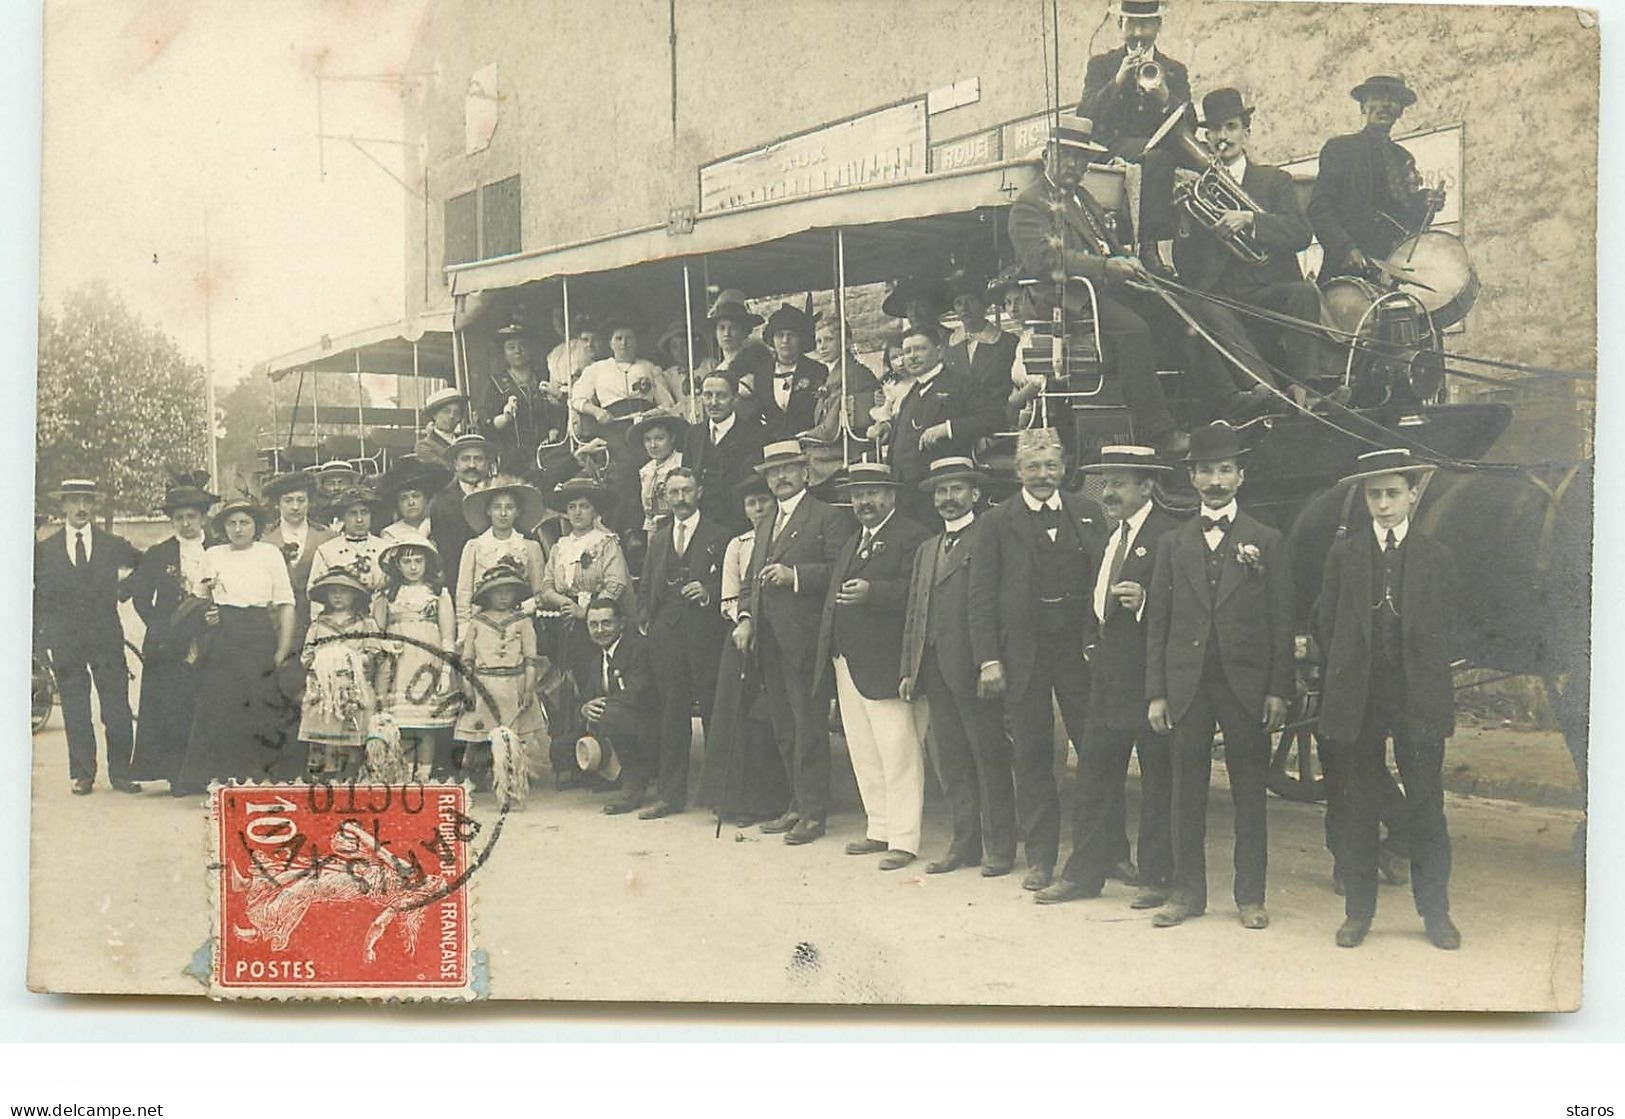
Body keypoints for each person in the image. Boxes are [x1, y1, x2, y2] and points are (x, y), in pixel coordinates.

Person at [1008, 115, 1286, 451]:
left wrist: (1131, 261)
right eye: (1067, 155)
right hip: (1069, 298)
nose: (1074, 164)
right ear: (1047, 155)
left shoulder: (1083, 197)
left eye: (1081, 157)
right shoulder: (1028, 205)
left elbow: (1106, 243)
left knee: (1181, 310)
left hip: (1106, 288)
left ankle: (1226, 399)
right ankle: (1159, 432)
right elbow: (1047, 261)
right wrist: (1108, 266)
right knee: (1133, 329)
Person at [1144, 420, 1293, 929]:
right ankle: (1188, 893)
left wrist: (1278, 689)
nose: (1215, 480)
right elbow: (1158, 624)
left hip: (1246, 686)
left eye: (1224, 470)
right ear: (1192, 478)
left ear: (1240, 477)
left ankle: (1250, 896)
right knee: (1186, 792)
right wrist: (1157, 693)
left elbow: (1280, 621)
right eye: (1205, 470)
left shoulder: (1266, 542)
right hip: (1187, 686)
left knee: (1250, 792)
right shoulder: (1172, 543)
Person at [1313, 448, 1459, 950]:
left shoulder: (1435, 555)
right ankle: (1358, 913)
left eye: (1393, 493)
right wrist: (1346, 671)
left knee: (1427, 806)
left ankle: (1435, 914)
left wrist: (1431, 681)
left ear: (1412, 495)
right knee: (1357, 808)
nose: (1383, 504)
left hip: (1417, 697)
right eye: (1374, 495)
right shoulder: (1345, 553)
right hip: (1361, 697)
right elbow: (1324, 619)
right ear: (1365, 500)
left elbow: (1449, 629)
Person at [1036, 446, 1180, 906]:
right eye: (1105, 483)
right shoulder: (1109, 537)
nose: (1109, 493)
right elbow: (1093, 604)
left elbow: (1191, 610)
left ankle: (1159, 877)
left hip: (1151, 680)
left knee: (1158, 778)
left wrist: (1150, 600)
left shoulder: (1169, 538)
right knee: (1095, 776)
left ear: (1146, 487)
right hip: (1105, 678)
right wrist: (1091, 647)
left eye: (1119, 483)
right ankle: (1084, 875)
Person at [967, 428, 1104, 891]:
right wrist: (989, 659)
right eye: (1033, 468)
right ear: (1018, 472)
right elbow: (981, 595)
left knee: (1097, 752)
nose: (1043, 475)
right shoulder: (996, 522)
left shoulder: (1087, 513)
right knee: (1032, 755)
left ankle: (1109, 852)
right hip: (1023, 653)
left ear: (1064, 469)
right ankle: (1041, 858)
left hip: (1076, 654)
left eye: (1051, 467)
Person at [732, 439, 853, 846]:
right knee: (783, 727)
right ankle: (797, 804)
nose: (780, 478)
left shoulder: (826, 517)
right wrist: (747, 618)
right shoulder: (767, 521)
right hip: (769, 638)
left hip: (805, 639)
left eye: (788, 469)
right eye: (773, 472)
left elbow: (840, 570)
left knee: (808, 727)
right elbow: (751, 579)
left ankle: (814, 813)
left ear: (805, 472)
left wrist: (795, 575)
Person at [813, 463, 934, 870]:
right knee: (864, 750)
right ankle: (879, 827)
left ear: (892, 497)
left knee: (898, 750)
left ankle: (904, 838)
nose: (864, 502)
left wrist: (873, 592)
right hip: (848, 660)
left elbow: (918, 595)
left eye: (873, 493)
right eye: (858, 494)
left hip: (888, 663)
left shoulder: (911, 537)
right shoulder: (853, 541)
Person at [900, 457, 1017, 877]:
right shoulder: (928, 548)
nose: (948, 499)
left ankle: (1000, 847)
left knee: (988, 756)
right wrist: (909, 667)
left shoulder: (989, 538)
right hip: (933, 667)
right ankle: (964, 844)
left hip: (973, 666)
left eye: (956, 490)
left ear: (975, 494)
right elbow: (916, 611)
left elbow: (997, 606)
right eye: (940, 491)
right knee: (951, 759)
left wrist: (992, 661)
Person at [1172, 88, 1320, 386]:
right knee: (1205, 308)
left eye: (1231, 127)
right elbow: (1186, 267)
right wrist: (1184, 222)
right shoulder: (1197, 189)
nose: (1222, 136)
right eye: (1214, 129)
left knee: (1305, 293)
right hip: (1225, 294)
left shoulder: (1274, 180)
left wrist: (1251, 220)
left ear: (1246, 132)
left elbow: (1301, 233)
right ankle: (1266, 391)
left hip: (1269, 289)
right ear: (1206, 138)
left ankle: (1310, 389)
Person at [171, 498, 301, 794]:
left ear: (255, 525)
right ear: (223, 527)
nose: (238, 529)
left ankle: (261, 777)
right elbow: (197, 600)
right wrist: (208, 615)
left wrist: (282, 649)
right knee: (219, 704)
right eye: (232, 523)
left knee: (261, 703)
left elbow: (286, 604)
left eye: (244, 522)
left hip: (258, 633)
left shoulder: (269, 553)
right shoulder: (213, 555)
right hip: (223, 637)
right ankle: (220, 779)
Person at [33, 479, 142, 796]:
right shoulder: (46, 550)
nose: (81, 507)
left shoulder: (112, 544)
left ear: (94, 506)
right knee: (75, 708)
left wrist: (125, 590)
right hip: (66, 642)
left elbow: (146, 567)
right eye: (74, 501)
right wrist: (43, 642)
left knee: (116, 708)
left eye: (87, 501)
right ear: (63, 506)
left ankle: (121, 773)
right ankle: (83, 774)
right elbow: (39, 598)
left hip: (106, 638)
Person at [635, 468, 732, 818]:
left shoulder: (720, 535)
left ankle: (722, 796)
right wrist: (645, 616)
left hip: (706, 634)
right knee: (671, 715)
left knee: (713, 712)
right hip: (667, 635)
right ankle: (671, 795)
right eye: (673, 492)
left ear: (699, 492)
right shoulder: (660, 538)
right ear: (665, 496)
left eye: (687, 491)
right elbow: (647, 581)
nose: (680, 498)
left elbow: (736, 581)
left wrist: (709, 591)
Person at [699, 473, 792, 825]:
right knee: (735, 716)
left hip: (778, 634)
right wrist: (744, 620)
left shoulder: (785, 538)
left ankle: (773, 799)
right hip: (742, 636)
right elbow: (729, 595)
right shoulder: (739, 544)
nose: (758, 509)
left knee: (769, 717)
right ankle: (734, 799)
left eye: (763, 501)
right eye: (751, 504)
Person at [1076, 0, 1189, 259]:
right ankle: (1148, 245)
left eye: (1145, 25)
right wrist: (1117, 80)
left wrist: (1165, 96)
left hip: (1159, 147)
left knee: (1170, 157)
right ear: (1120, 25)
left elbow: (1189, 123)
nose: (1138, 34)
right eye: (1132, 24)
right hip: (1112, 146)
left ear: (1158, 26)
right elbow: (1085, 116)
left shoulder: (1174, 70)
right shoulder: (1101, 64)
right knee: (1158, 158)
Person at [127, 472, 219, 788]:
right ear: (171, 521)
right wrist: (159, 625)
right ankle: (175, 773)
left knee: (205, 702)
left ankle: (207, 772)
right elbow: (139, 595)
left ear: (204, 517)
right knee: (172, 704)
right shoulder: (158, 553)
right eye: (178, 518)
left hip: (211, 636)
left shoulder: (219, 550)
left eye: (192, 516)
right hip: (169, 640)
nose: (186, 523)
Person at [1308, 74, 1443, 282]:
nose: (1386, 104)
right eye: (1378, 97)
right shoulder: (1341, 149)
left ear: (1401, 111)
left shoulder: (1403, 158)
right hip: (1348, 274)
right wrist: (1346, 249)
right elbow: (1319, 209)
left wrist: (1426, 203)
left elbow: (1408, 220)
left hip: (1394, 275)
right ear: (1363, 107)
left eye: (1394, 99)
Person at [877, 325, 1006, 520]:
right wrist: (888, 429)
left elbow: (994, 418)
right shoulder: (910, 392)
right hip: (905, 492)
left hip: (941, 491)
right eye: (907, 351)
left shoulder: (961, 385)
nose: (912, 356)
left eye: (920, 349)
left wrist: (948, 428)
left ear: (939, 351)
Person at [373, 533, 459, 780]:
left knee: (425, 723)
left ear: (427, 564)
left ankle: (424, 772)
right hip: (398, 663)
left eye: (418, 561)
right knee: (403, 721)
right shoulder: (387, 595)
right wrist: (385, 644)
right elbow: (376, 629)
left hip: (426, 662)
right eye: (407, 562)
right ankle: (405, 770)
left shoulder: (438, 593)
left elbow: (447, 634)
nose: (413, 567)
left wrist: (445, 670)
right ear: (397, 565)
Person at [453, 563, 545, 791]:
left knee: (515, 736)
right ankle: (476, 777)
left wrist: (528, 688)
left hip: (515, 684)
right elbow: (468, 660)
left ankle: (515, 778)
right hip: (484, 686)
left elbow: (530, 658)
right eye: (497, 591)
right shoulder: (477, 622)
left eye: (509, 591)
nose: (503, 596)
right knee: (478, 736)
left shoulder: (522, 621)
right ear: (487, 594)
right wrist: (467, 689)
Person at [574, 596, 657, 816]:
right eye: (593, 624)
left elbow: (639, 692)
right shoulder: (595, 662)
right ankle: (615, 775)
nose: (600, 630)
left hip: (649, 725)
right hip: (617, 720)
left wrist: (603, 708)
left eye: (606, 623)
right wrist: (585, 709)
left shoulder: (638, 648)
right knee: (562, 749)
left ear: (621, 623)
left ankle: (636, 780)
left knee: (610, 715)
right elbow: (586, 699)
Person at [299, 569, 383, 781]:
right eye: (333, 592)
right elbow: (306, 656)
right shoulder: (318, 625)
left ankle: (351, 773)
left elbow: (374, 651)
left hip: (353, 686)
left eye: (344, 592)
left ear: (355, 595)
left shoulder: (365, 623)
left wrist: (350, 659)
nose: (338, 596)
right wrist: (325, 660)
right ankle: (325, 772)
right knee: (325, 727)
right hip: (324, 689)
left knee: (352, 729)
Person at [456, 476, 548, 629]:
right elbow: (463, 594)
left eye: (509, 507)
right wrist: (464, 629)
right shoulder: (474, 547)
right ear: (488, 511)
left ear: (517, 511)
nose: (503, 513)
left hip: (519, 622)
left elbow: (539, 592)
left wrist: (525, 608)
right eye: (497, 507)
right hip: (481, 622)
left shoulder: (530, 547)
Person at [684, 373, 768, 528]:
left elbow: (751, 485)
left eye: (721, 396)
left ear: (734, 398)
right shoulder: (693, 434)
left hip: (735, 522)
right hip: (700, 523)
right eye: (708, 395)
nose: (713, 402)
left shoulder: (754, 436)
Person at [261, 470, 335, 644]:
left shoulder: (326, 537)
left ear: (309, 502)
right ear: (278, 504)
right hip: (275, 624)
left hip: (317, 623)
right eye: (288, 500)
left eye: (301, 500)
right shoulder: (264, 539)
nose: (295, 507)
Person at [571, 315, 678, 432]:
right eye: (618, 338)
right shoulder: (597, 369)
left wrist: (650, 414)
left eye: (629, 338)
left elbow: (667, 403)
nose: (624, 343)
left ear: (637, 342)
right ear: (610, 343)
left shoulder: (650, 368)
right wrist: (597, 412)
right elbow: (577, 399)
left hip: (645, 427)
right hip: (613, 426)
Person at [483, 320, 566, 471]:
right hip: (512, 459)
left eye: (522, 346)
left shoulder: (546, 378)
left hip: (548, 453)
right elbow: (486, 426)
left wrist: (555, 426)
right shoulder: (496, 384)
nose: (517, 351)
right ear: (504, 353)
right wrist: (505, 418)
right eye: (511, 347)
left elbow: (561, 413)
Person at [744, 304, 825, 441]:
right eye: (780, 335)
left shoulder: (816, 371)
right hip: (771, 447)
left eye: (791, 335)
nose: (785, 341)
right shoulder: (762, 374)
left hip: (809, 444)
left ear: (801, 338)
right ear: (772, 339)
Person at [943, 272, 1019, 414]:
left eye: (971, 301)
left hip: (997, 417)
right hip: (956, 421)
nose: (964, 308)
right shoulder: (948, 345)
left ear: (984, 305)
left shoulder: (1007, 342)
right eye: (959, 303)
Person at [428, 432, 495, 583]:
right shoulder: (441, 502)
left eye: (478, 459)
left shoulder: (501, 493)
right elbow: (447, 558)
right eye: (465, 459)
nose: (472, 465)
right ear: (455, 463)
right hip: (459, 582)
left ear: (487, 463)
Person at [306, 485, 389, 608]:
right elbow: (315, 596)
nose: (359, 519)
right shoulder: (326, 551)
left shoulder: (386, 549)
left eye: (364, 513)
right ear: (343, 517)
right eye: (352, 514)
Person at [805, 314, 882, 442]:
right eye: (819, 341)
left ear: (846, 342)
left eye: (829, 339)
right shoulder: (835, 372)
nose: (822, 347)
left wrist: (802, 436)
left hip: (848, 450)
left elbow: (829, 431)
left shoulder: (852, 375)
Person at [629, 412, 687, 541]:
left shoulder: (682, 462)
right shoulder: (646, 471)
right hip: (654, 529)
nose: (653, 445)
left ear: (672, 438)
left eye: (660, 438)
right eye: (648, 440)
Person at [696, 289, 771, 384]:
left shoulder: (755, 364)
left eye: (733, 328)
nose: (726, 333)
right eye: (722, 328)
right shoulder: (719, 369)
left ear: (744, 332)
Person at [379, 455, 452, 543]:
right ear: (397, 504)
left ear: (426, 499)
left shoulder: (440, 526)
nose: (411, 503)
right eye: (404, 498)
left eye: (416, 496)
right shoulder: (390, 534)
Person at [414, 386, 468, 467]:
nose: (452, 416)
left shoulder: (463, 441)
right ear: (434, 415)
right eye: (446, 411)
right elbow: (443, 469)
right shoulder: (424, 446)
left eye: (456, 412)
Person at [310, 460, 361, 529]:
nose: (336, 488)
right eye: (330, 483)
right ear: (322, 486)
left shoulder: (361, 507)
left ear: (351, 484)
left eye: (342, 482)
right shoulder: (313, 511)